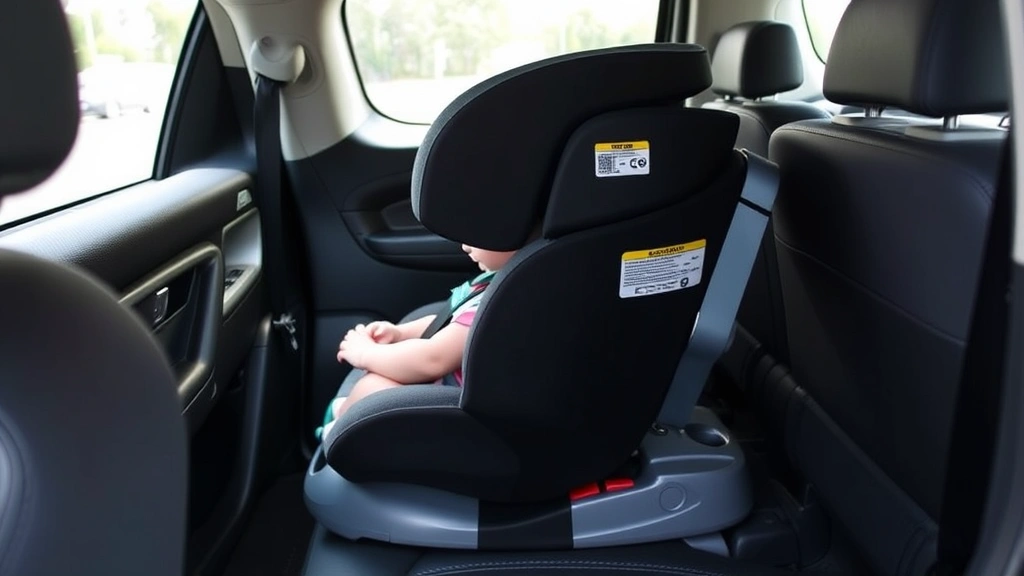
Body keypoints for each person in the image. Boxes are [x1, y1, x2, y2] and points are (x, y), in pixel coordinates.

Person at [317, 243, 517, 438]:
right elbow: (453, 323)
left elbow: (432, 359)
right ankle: (344, 412)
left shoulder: (503, 303)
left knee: (374, 389)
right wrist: (400, 333)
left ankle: (337, 428)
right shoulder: (501, 281)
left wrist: (364, 353)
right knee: (373, 384)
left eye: (479, 236)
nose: (465, 246)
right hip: (467, 387)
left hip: (464, 408)